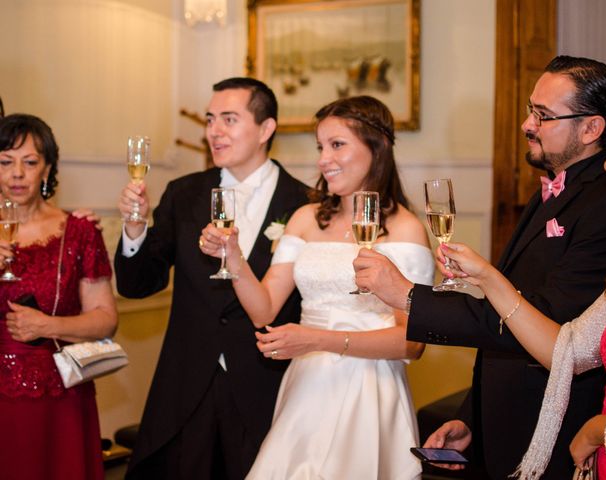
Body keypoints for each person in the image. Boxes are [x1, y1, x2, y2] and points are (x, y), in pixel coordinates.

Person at [353, 56, 606, 478]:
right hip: (506, 423)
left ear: (592, 129)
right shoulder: (553, 188)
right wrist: (472, 416)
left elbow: (547, 325)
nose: (526, 124)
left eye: (543, 115)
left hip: (555, 430)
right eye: (528, 109)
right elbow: (507, 313)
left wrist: (410, 296)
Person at [199, 95, 434, 479]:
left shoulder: (405, 230)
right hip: (306, 388)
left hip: (368, 391)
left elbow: (412, 343)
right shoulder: (306, 218)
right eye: (320, 146)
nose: (324, 159)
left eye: (337, 145)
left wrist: (316, 340)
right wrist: (234, 257)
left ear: (377, 148)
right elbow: (264, 310)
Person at [433, 87, 606, 479]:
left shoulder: (599, 210)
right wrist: (487, 276)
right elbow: (569, 348)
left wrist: (602, 428)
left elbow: (555, 323)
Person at [115, 77, 308, 480]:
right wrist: (135, 228)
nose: (214, 132)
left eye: (229, 119)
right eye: (209, 119)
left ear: (266, 129)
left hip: (266, 385)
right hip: (186, 385)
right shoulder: (183, 194)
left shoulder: (305, 204)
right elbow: (137, 286)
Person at [0, 113, 118, 480]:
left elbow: (106, 319)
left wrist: (48, 325)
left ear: (48, 169)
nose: (17, 173)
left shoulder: (79, 231)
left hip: (60, 397)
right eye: (5, 162)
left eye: (30, 162)